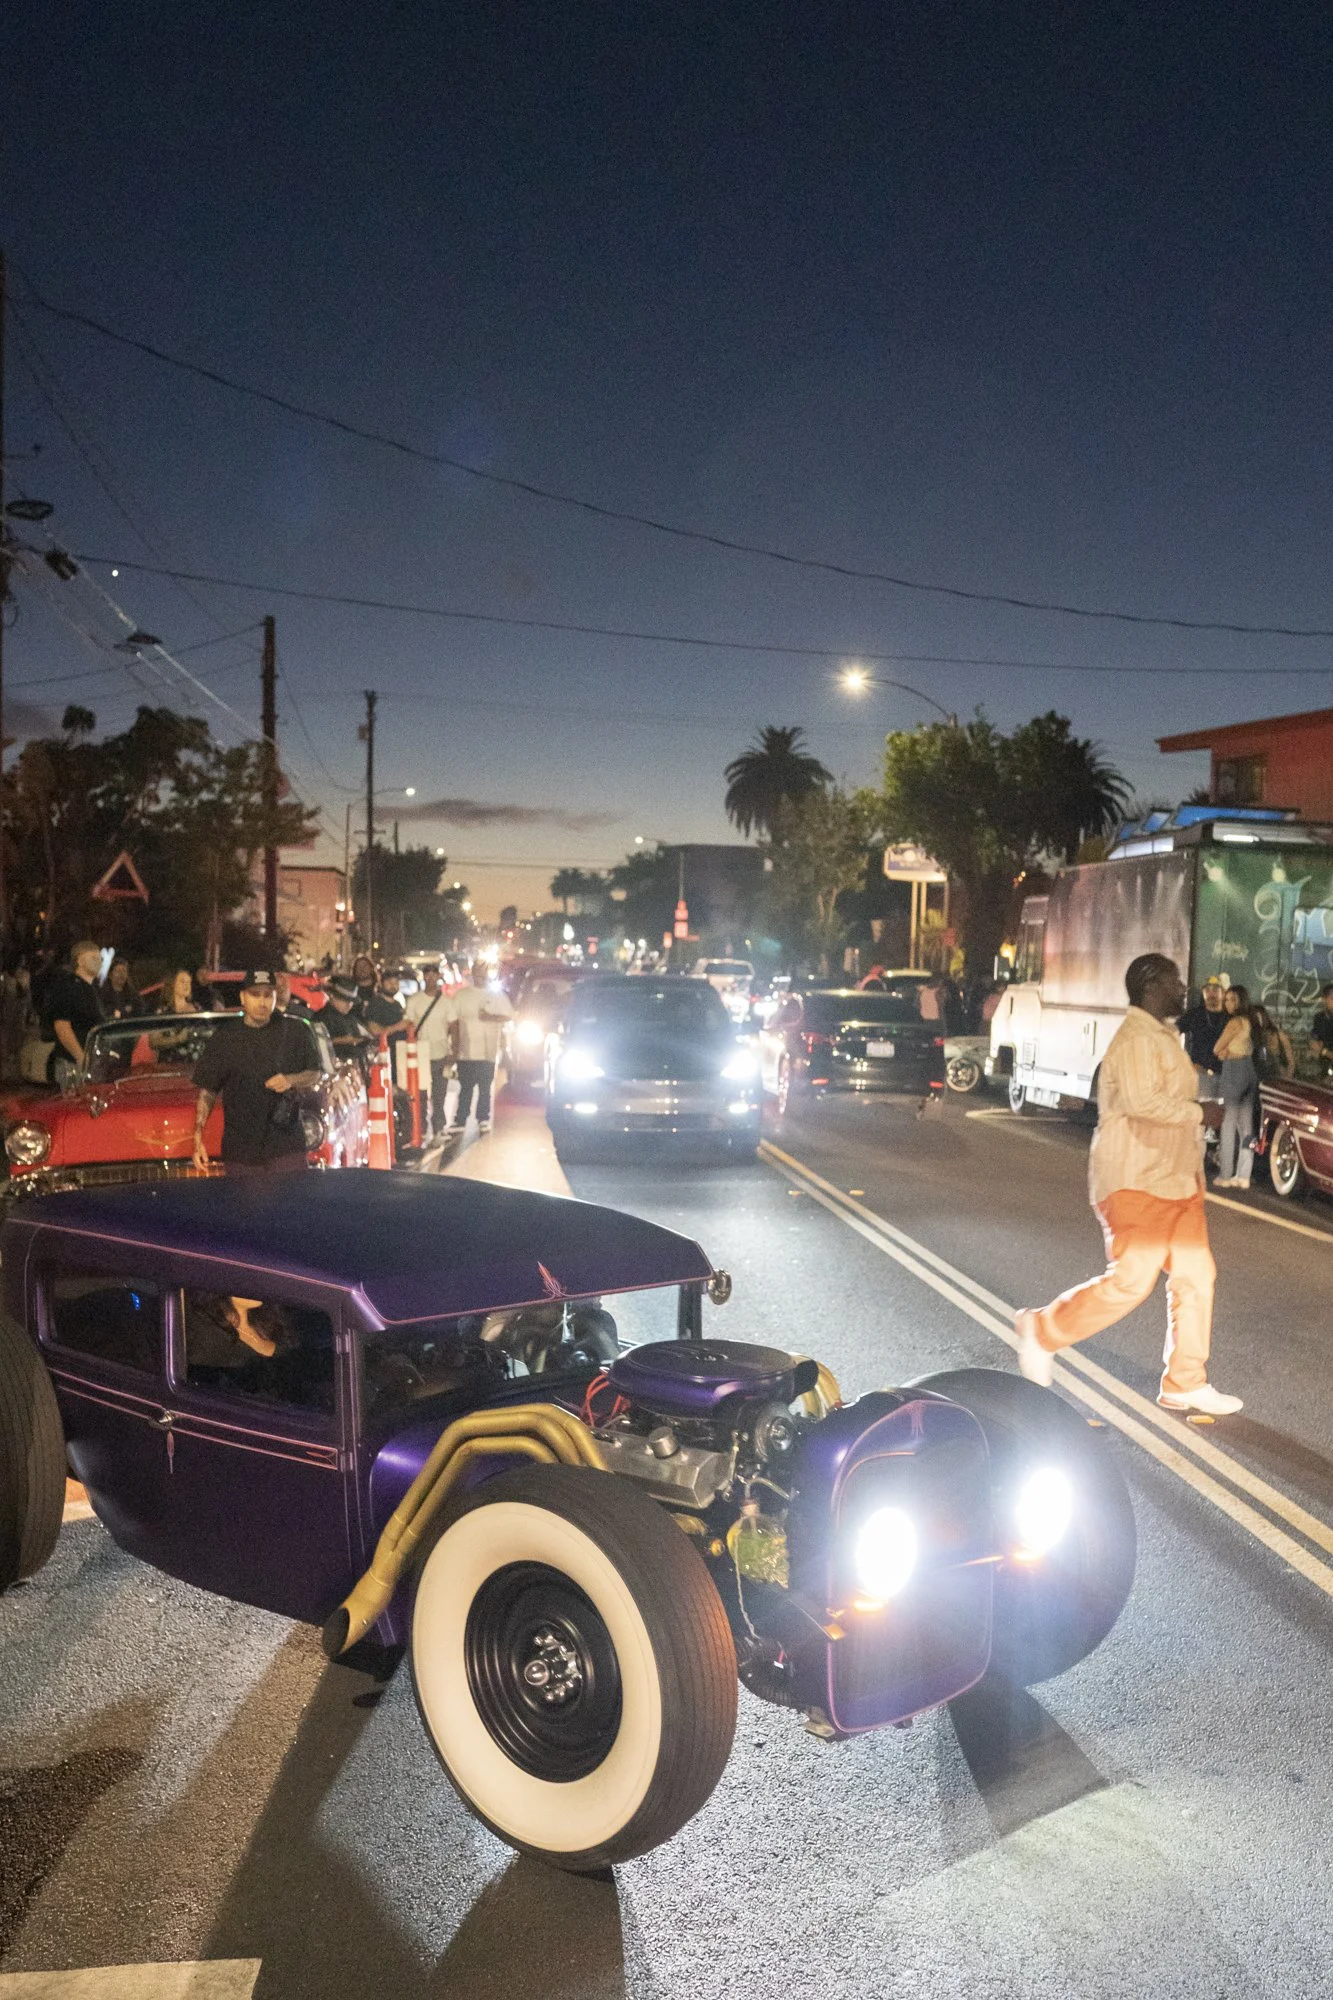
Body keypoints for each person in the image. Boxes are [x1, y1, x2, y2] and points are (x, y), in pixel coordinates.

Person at [1015, 952, 1241, 1416]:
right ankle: (1042, 1331)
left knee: (1196, 1277)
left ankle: (1185, 1381)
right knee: (1131, 1281)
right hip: (1138, 1179)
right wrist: (1202, 1112)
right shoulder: (1137, 1038)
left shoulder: (1159, 1035)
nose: (1185, 988)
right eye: (1176, 981)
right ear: (1151, 984)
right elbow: (1142, 1103)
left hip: (1175, 1181)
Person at [191, 968, 322, 1175]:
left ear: (275, 996)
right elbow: (208, 1090)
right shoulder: (224, 1038)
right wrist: (198, 1137)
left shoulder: (297, 1031)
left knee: (292, 1205)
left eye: (268, 995)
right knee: (246, 1207)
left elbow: (315, 1073)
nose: (262, 1002)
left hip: (286, 1144)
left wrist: (290, 1080)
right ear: (243, 997)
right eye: (255, 994)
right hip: (241, 1150)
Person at [448, 959, 513, 1134]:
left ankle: (483, 1118)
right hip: (466, 1052)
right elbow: (453, 1020)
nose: (481, 975)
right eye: (478, 971)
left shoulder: (497, 995)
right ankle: (460, 1118)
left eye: (484, 971)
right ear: (473, 972)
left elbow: (508, 1015)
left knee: (485, 1088)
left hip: (488, 1052)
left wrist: (491, 1017)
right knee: (466, 1087)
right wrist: (454, 1046)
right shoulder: (462, 995)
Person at [43, 939, 106, 1083]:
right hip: (73, 1065)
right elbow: (62, 1026)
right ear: (80, 961)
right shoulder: (68, 987)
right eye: (93, 958)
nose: (99, 962)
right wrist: (82, 1058)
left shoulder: (91, 990)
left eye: (100, 958)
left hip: (90, 1064)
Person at [1212, 983, 1257, 1188]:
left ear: (1239, 1002)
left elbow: (1217, 1048)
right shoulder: (1251, 1021)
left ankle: (1226, 1174)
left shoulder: (1234, 1022)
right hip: (1249, 1071)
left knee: (1228, 1123)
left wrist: (1225, 1053)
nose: (1227, 1003)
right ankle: (1244, 1175)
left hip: (1233, 1071)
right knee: (1247, 1127)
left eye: (1231, 999)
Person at [403, 960, 454, 1136]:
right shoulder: (415, 1000)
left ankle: (439, 1126)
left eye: (434, 974)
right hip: (420, 1053)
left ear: (439, 976)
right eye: (427, 974)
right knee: (421, 1094)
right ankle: (421, 1128)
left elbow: (454, 1026)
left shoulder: (447, 1002)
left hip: (441, 1053)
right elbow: (408, 1024)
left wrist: (453, 1052)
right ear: (424, 976)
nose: (431, 977)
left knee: (439, 1094)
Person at [323, 976, 375, 1071]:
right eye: (344, 1000)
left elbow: (367, 1036)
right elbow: (316, 1044)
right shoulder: (321, 1017)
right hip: (336, 1069)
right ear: (332, 996)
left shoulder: (351, 1018)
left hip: (357, 1067)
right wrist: (341, 1040)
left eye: (351, 1001)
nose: (349, 1005)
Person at [1251, 1003, 1294, 1082]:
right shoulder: (1251, 1037)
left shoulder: (1278, 1034)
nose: (1255, 1021)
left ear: (1263, 1017)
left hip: (1278, 1076)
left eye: (1257, 1018)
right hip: (1259, 1077)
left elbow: (1290, 1061)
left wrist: (1287, 1079)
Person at [101, 957, 142, 1022]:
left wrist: (120, 1012)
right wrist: (124, 1011)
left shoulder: (133, 994)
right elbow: (107, 1012)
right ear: (110, 975)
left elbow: (139, 1010)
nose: (121, 974)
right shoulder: (102, 994)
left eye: (124, 971)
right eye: (118, 971)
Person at [1311, 984, 1333, 1071]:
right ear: (1324, 999)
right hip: (1323, 1065)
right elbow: (1314, 1036)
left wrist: (1323, 1051)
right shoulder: (1319, 1017)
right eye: (1332, 999)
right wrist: (1313, 1043)